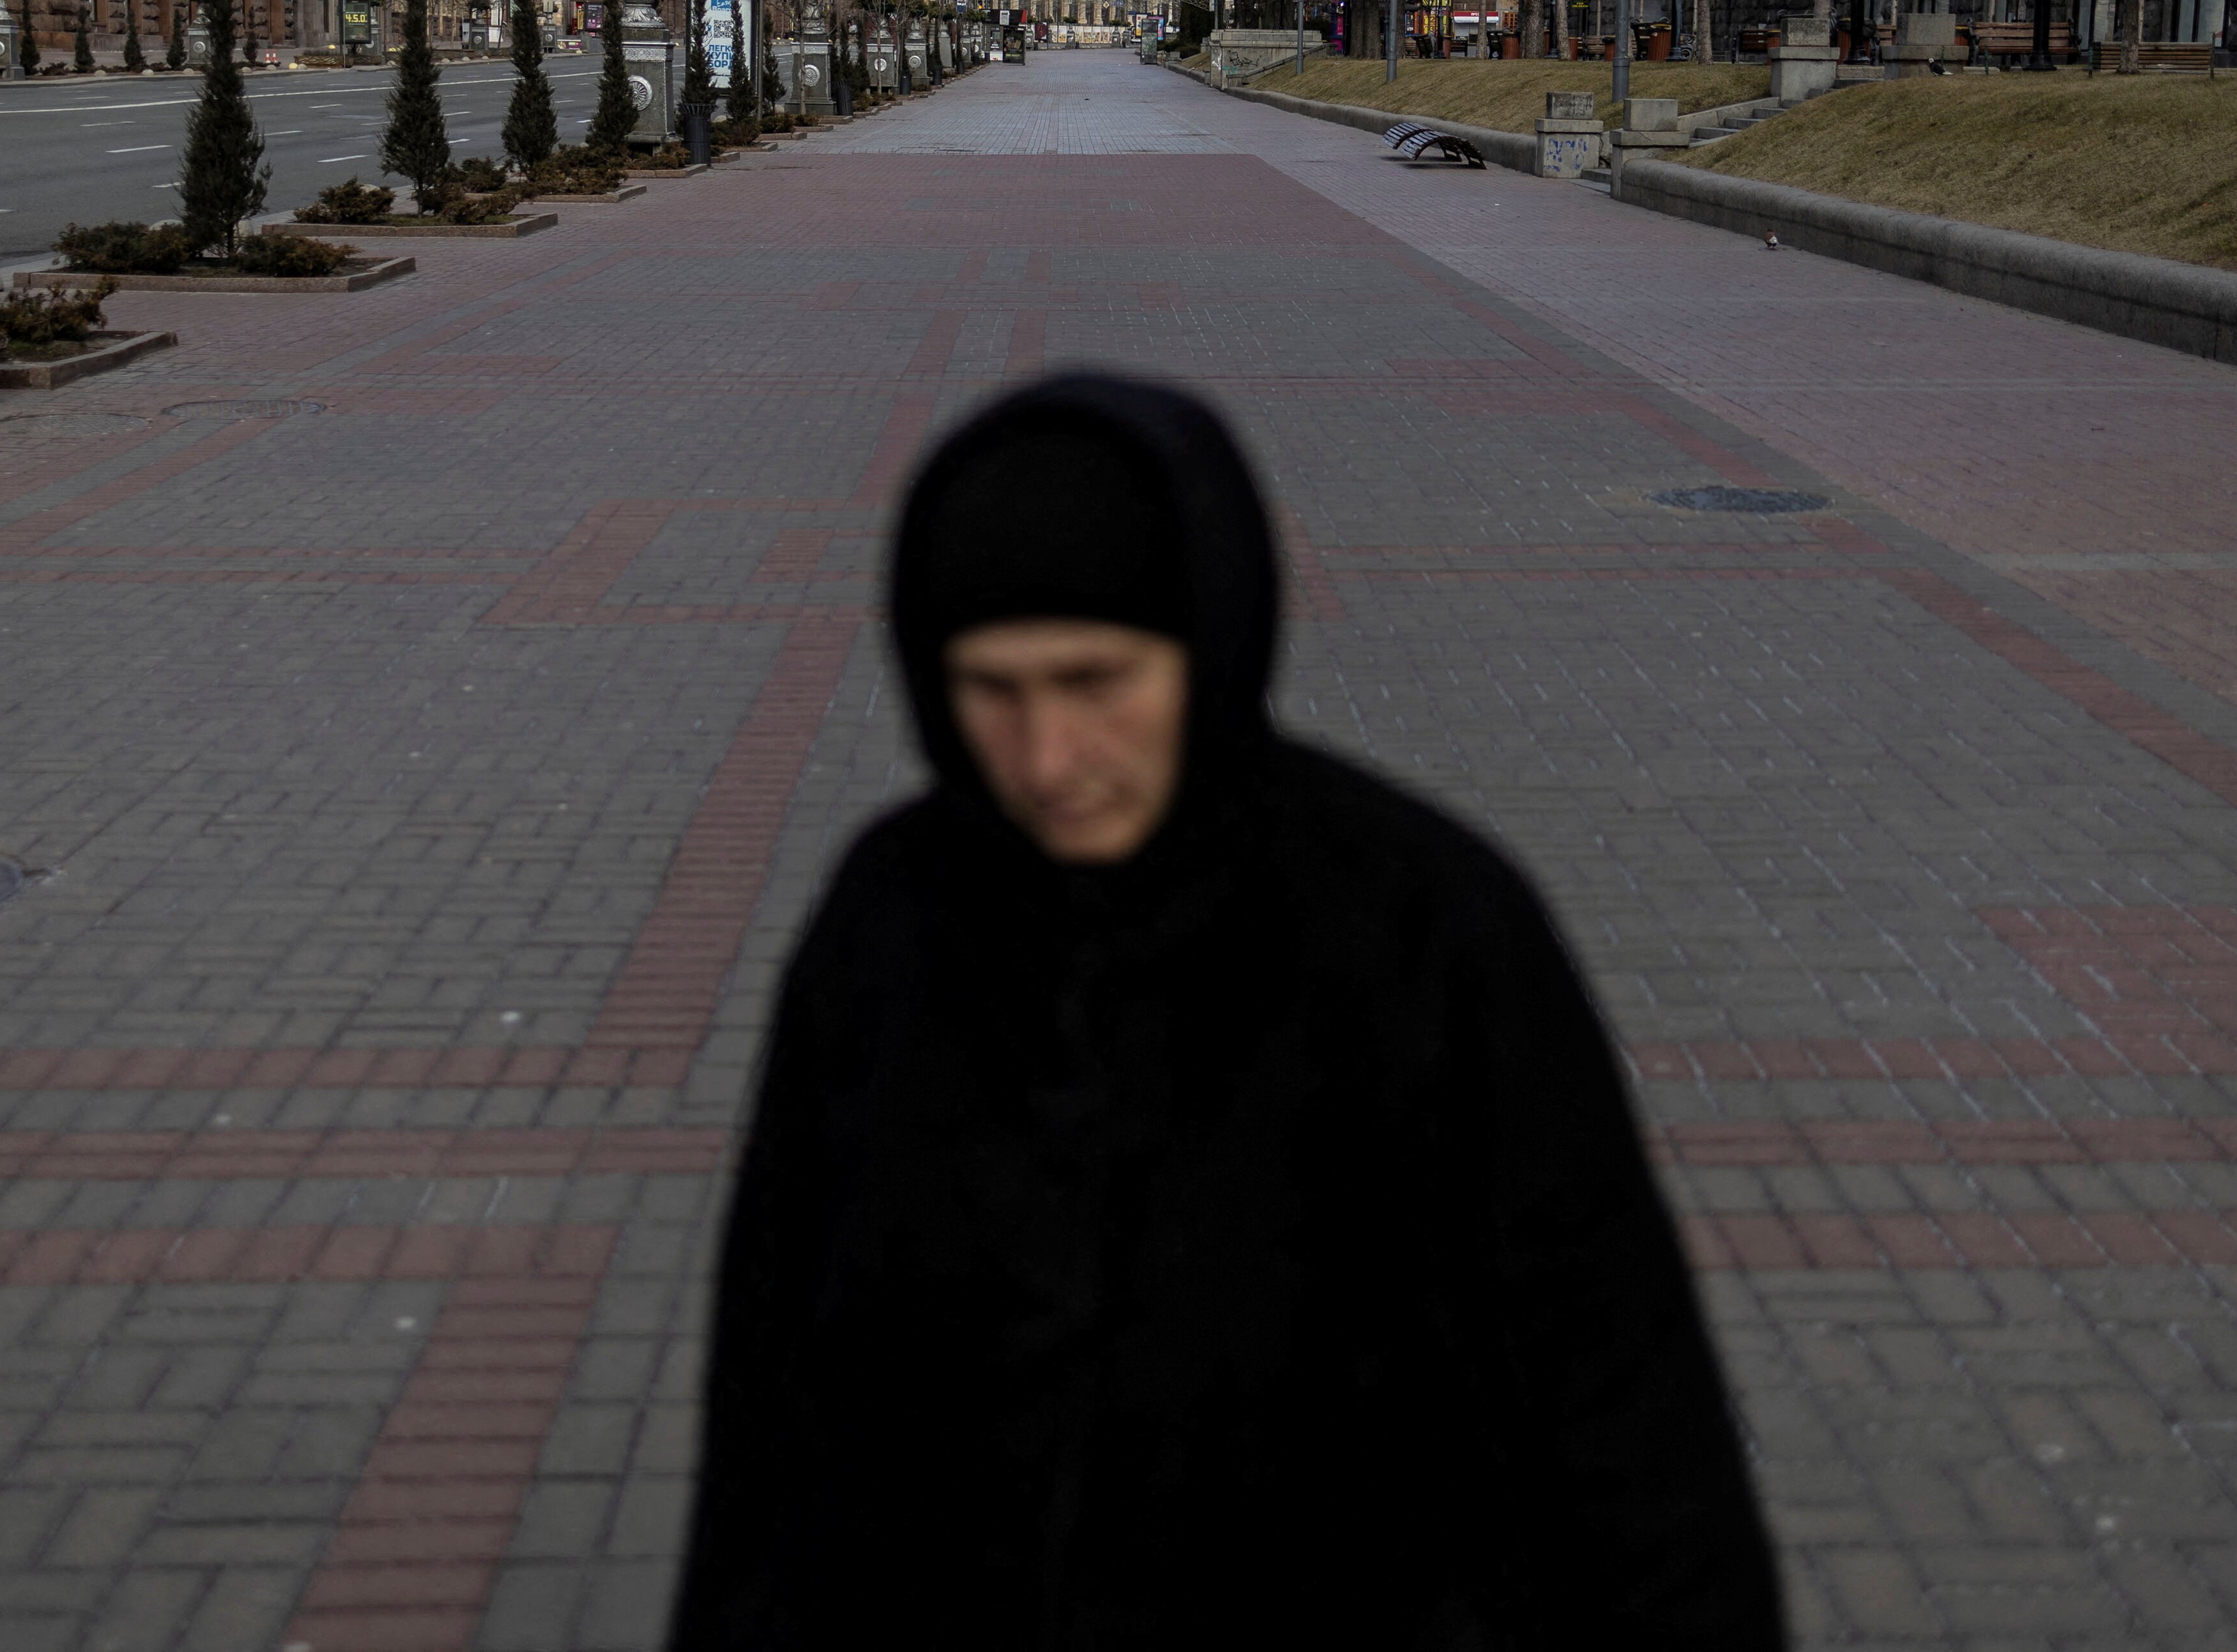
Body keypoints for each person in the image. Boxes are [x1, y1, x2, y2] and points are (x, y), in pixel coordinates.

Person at [669, 373, 1783, 1649]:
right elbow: (770, 1383)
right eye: (992, 688)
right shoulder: (890, 918)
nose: (1046, 756)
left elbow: (1619, 1401)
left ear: (1207, 639)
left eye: (1096, 679)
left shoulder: (1420, 925)